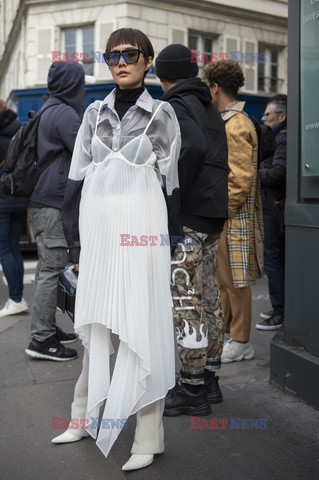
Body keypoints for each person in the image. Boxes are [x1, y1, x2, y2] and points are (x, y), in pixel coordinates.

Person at [51, 28, 181, 472]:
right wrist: (76, 245)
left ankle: (148, 435)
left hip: (144, 235)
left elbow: (172, 188)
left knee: (140, 330)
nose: (120, 61)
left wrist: (172, 245)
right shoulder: (92, 113)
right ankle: (82, 418)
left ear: (147, 61)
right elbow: (75, 181)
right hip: (100, 237)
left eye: (130, 54)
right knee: (96, 328)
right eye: (112, 55)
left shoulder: (163, 114)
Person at [155, 44, 228, 416]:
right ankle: (211, 377)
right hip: (214, 214)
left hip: (191, 216)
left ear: (161, 75)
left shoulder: (175, 105)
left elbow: (193, 148)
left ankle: (192, 388)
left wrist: (174, 193)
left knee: (186, 300)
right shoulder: (207, 104)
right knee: (210, 295)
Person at [202, 61, 263, 363]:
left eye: (208, 86)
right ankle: (230, 334)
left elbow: (240, 176)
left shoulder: (236, 124)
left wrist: (222, 210)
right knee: (226, 279)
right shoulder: (231, 120)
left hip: (232, 214)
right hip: (228, 212)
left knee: (236, 280)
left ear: (215, 87)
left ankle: (240, 339)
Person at [25, 62, 85, 361]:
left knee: (44, 268)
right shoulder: (64, 113)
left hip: (41, 200)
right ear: (72, 84)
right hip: (52, 201)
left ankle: (45, 326)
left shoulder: (50, 108)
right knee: (51, 269)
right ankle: (41, 340)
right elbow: (86, 151)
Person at [256, 95, 287, 331]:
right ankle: (279, 307)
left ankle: (280, 311)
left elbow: (278, 173)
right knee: (274, 261)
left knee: (274, 261)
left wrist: (255, 172)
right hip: (274, 207)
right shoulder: (277, 138)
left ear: (282, 116)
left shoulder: (283, 138)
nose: (264, 118)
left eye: (268, 114)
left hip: (274, 208)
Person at [0, 100, 29, 318]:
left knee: (4, 249)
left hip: (2, 198)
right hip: (19, 194)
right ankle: (17, 296)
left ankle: (16, 298)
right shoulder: (18, 129)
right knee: (13, 247)